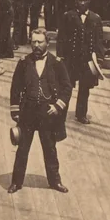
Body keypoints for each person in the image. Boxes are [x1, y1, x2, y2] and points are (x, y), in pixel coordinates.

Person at [8, 29, 72, 194]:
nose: (36, 46)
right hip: (27, 113)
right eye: (34, 42)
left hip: (47, 114)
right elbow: (15, 88)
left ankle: (55, 182)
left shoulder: (57, 63)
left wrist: (57, 106)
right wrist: (15, 111)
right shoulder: (24, 62)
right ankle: (16, 182)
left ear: (47, 43)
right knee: (22, 149)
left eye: (40, 42)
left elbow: (67, 87)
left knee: (50, 149)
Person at [57, 0, 106, 124]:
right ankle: (61, 113)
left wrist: (100, 60)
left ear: (89, 1)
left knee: (85, 89)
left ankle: (81, 114)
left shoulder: (96, 19)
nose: (82, 4)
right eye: (79, 1)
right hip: (70, 59)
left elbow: (99, 41)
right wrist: (59, 57)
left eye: (85, 1)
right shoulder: (68, 16)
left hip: (87, 61)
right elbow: (61, 38)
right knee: (66, 88)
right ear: (75, 1)